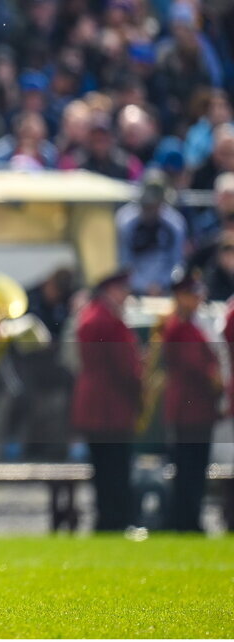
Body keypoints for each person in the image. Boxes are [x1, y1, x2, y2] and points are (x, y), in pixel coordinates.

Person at [71, 270, 141, 532]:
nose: (126, 295)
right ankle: (115, 520)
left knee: (104, 468)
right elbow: (123, 365)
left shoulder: (92, 315)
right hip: (110, 404)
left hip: (97, 404)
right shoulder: (107, 320)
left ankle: (108, 519)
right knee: (115, 467)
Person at [161, 270, 220, 532]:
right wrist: (217, 381)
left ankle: (187, 518)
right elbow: (195, 365)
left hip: (197, 407)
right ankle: (184, 520)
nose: (197, 299)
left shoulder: (191, 324)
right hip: (190, 407)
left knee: (194, 466)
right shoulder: (180, 326)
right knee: (189, 468)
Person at [115, 170, 187, 296]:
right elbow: (124, 262)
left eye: (156, 204)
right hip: (133, 288)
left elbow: (177, 262)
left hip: (165, 287)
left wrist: (162, 283)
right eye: (147, 204)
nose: (151, 208)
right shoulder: (126, 221)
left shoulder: (175, 223)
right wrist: (142, 285)